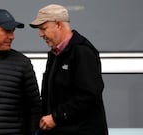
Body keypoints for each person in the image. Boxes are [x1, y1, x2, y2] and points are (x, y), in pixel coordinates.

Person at [29, 4, 108, 135]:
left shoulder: (82, 51)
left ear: (58, 24)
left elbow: (89, 94)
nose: (40, 34)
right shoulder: (56, 54)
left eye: (43, 28)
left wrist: (56, 117)